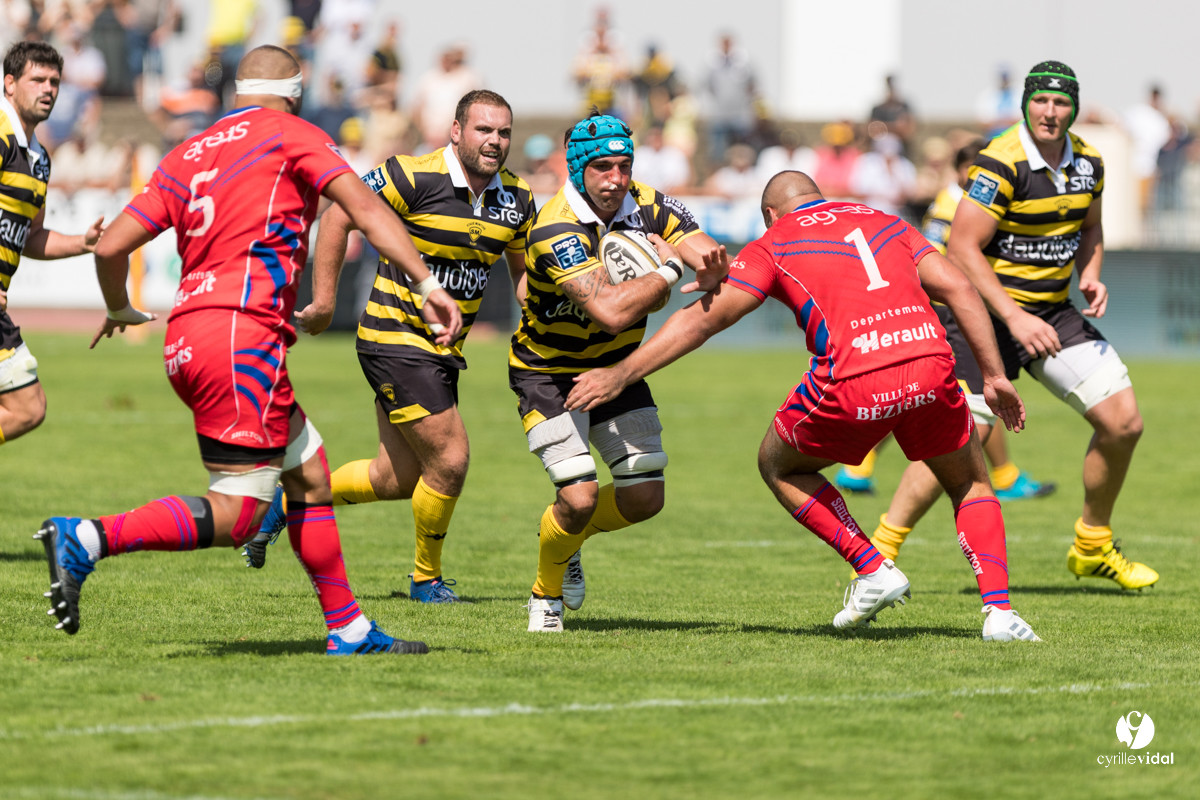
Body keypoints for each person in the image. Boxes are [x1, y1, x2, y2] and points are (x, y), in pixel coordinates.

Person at [35, 45, 462, 656]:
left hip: (191, 335)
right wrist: (427, 282)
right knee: (238, 512)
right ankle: (88, 538)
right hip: (241, 336)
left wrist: (119, 309)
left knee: (310, 477)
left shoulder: (190, 151)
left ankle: (348, 629)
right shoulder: (292, 133)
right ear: (295, 89)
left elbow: (110, 250)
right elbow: (365, 207)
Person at [567, 171, 1042, 642]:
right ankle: (1000, 613)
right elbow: (959, 287)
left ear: (769, 214)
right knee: (969, 481)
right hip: (929, 361)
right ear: (820, 195)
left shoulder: (775, 240)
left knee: (778, 464)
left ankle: (872, 567)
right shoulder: (884, 219)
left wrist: (622, 373)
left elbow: (702, 323)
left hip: (854, 377)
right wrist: (995, 375)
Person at [244, 90, 536, 605]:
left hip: (445, 352)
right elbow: (338, 213)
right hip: (392, 338)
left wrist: (561, 310)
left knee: (396, 477)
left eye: (504, 132)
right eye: (484, 130)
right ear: (456, 131)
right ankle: (426, 581)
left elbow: (521, 278)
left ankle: (288, 503)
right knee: (451, 458)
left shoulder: (517, 199)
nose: (495, 141)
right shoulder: (410, 174)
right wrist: (327, 300)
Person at [512, 112, 726, 632]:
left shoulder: (650, 203)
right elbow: (610, 311)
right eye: (603, 167)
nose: (616, 179)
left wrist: (711, 262)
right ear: (579, 167)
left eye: (625, 166)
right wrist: (670, 269)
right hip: (548, 372)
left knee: (646, 496)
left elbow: (707, 252)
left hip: (616, 367)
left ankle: (572, 537)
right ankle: (546, 594)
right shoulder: (555, 227)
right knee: (580, 496)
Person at [947, 61, 1156, 590]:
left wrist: (1091, 273)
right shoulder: (1000, 160)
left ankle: (1093, 545)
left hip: (1051, 313)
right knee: (965, 440)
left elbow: (1092, 225)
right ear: (1026, 104)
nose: (1050, 111)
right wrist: (1012, 316)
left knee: (1123, 422)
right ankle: (881, 549)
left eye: (1061, 102)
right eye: (1041, 100)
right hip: (988, 317)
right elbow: (961, 246)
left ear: (1074, 108)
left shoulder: (1088, 160)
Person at [836, 139, 1056, 505]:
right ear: (959, 171)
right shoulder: (950, 205)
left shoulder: (972, 202)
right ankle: (1003, 476)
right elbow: (933, 257)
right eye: (974, 169)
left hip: (959, 308)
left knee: (966, 393)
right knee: (972, 391)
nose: (983, 177)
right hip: (949, 311)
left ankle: (860, 466)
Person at [1, 41, 104, 449]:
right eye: (37, 79)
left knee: (29, 408)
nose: (48, 89)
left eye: (55, 82)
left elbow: (32, 237)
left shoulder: (40, 159)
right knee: (27, 407)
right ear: (10, 84)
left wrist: (84, 242)